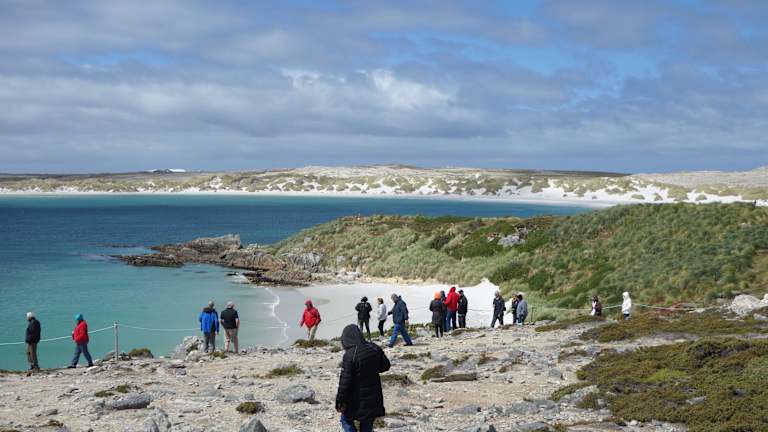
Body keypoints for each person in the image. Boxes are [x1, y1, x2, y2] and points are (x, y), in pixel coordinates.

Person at [335, 324, 391, 432]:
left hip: (355, 398)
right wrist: (371, 369)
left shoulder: (350, 355)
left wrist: (340, 401)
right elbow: (386, 366)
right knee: (367, 423)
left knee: (345, 419)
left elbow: (345, 383)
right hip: (373, 397)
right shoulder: (373, 347)